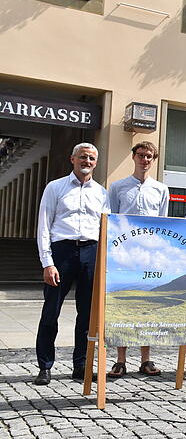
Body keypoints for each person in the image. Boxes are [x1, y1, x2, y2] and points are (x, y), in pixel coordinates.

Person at [34, 143, 110, 385]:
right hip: (62, 252)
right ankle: (45, 366)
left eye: (91, 158)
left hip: (91, 252)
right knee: (50, 311)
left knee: (87, 315)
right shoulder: (55, 187)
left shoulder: (101, 192)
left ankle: (81, 366)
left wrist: (104, 262)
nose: (87, 161)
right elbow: (44, 226)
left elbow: (106, 230)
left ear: (96, 163)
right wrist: (48, 262)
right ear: (72, 159)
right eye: (82, 157)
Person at [106, 141, 170, 378]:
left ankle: (146, 359)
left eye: (149, 156)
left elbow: (162, 224)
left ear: (153, 160)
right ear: (133, 157)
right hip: (123, 256)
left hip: (150, 257)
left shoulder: (161, 189)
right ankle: (120, 360)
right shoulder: (117, 187)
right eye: (141, 155)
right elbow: (111, 221)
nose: (145, 160)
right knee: (123, 306)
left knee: (147, 307)